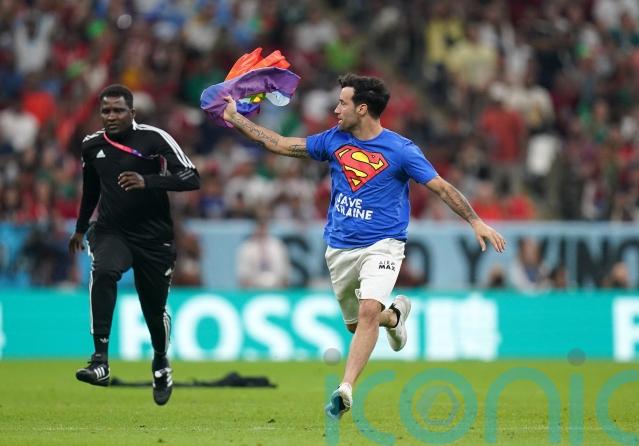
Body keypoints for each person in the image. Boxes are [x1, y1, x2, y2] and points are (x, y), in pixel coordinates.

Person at [222, 73, 506, 420]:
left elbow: (441, 187)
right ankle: (395, 316)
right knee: (358, 324)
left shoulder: (401, 150)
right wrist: (236, 118)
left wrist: (475, 220)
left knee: (368, 311)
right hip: (340, 247)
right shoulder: (333, 140)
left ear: (362, 108)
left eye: (342, 103)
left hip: (384, 244)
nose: (335, 109)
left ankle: (345, 389)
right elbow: (280, 144)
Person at [68, 84, 200, 405]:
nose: (111, 116)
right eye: (106, 111)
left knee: (153, 312)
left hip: (154, 238)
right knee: (104, 271)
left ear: (132, 113)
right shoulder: (91, 145)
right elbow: (91, 190)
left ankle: (160, 361)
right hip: (111, 231)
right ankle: (100, 360)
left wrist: (148, 181)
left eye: (118, 110)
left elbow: (192, 177)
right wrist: (80, 229)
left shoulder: (154, 139)